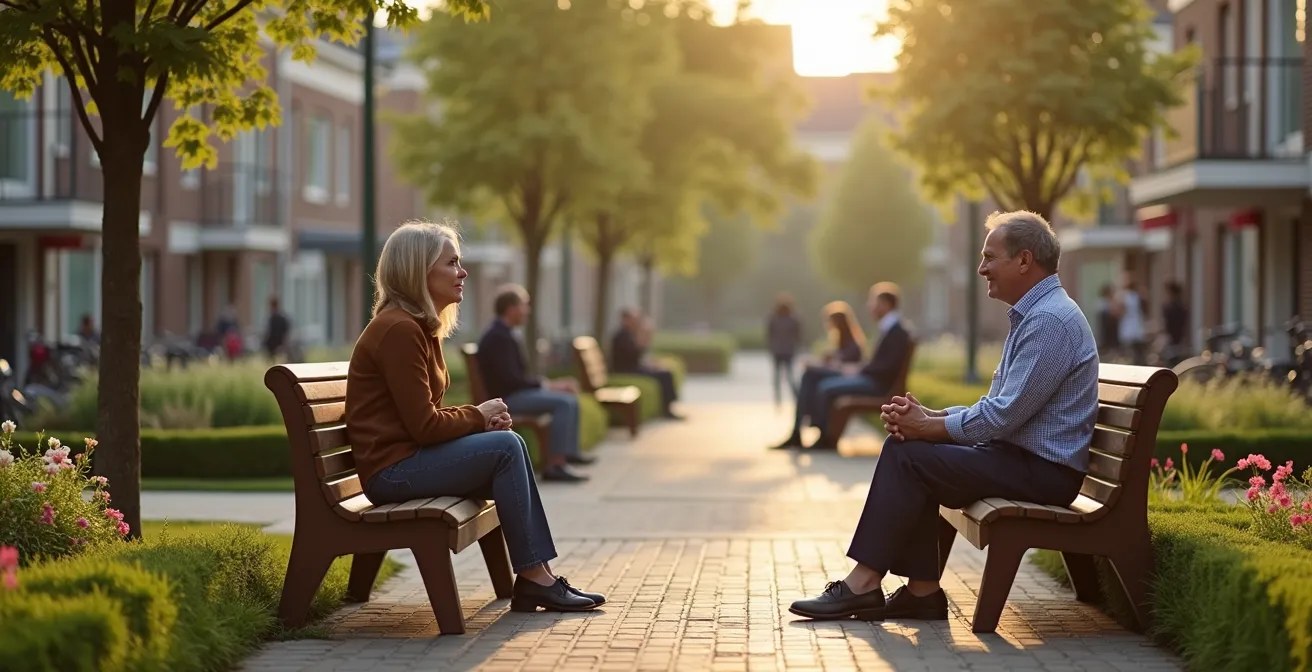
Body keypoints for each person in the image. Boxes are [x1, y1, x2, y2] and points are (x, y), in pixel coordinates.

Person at [789, 210, 1097, 622]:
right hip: (1024, 461)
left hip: (1042, 472)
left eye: (990, 257)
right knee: (910, 448)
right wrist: (931, 417)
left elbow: (1001, 417)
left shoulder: (1050, 322)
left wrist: (929, 426)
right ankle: (920, 592)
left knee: (908, 455)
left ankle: (864, 584)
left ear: (1024, 261)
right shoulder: (1038, 315)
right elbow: (1002, 407)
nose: (981, 267)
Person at [346, 221, 604, 613]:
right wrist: (478, 417)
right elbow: (424, 426)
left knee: (507, 445)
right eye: (451, 263)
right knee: (506, 447)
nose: (462, 272)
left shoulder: (416, 328)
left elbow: (420, 418)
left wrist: (480, 420)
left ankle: (537, 576)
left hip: (401, 462)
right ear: (419, 271)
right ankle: (536, 579)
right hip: (391, 472)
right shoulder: (399, 330)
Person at [771, 284, 912, 451]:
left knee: (825, 387)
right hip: (871, 378)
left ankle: (824, 438)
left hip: (878, 385)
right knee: (810, 375)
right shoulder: (890, 328)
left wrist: (857, 370)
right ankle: (798, 433)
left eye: (873, 302)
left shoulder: (897, 331)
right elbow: (880, 364)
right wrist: (857, 368)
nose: (869, 307)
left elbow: (886, 368)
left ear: (885, 305)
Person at [477, 284, 592, 483]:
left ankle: (566, 456)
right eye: (524, 305)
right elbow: (512, 380)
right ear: (511, 309)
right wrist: (550, 385)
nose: (527, 311)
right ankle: (556, 465)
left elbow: (515, 377)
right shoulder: (499, 336)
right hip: (507, 399)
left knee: (568, 399)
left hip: (512, 394)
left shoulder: (503, 332)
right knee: (564, 402)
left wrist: (549, 385)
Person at [610, 307, 682, 420]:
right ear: (626, 319)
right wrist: (643, 338)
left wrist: (650, 363)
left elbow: (635, 356)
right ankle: (667, 410)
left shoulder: (628, 334)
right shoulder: (622, 336)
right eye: (633, 319)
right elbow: (632, 357)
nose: (636, 322)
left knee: (665, 372)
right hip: (627, 370)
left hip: (631, 367)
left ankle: (668, 407)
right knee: (664, 375)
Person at [766, 293, 803, 405]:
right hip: (789, 350)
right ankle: (796, 397)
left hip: (777, 349)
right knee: (790, 375)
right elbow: (798, 335)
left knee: (777, 375)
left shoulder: (773, 318)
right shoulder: (793, 319)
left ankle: (778, 397)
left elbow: (769, 334)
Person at [263, 296, 292, 360]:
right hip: (279, 346)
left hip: (273, 347)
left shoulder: (274, 319)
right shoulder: (283, 319)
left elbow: (270, 334)